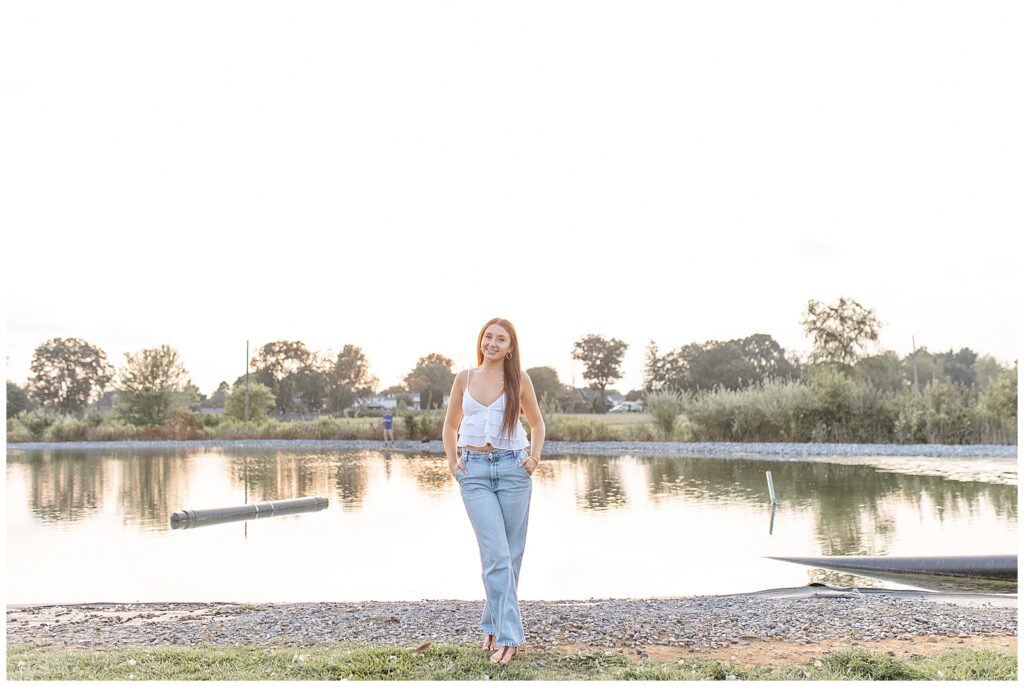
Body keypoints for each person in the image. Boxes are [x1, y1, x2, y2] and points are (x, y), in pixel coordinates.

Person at [443, 317, 545, 665]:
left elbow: (537, 422)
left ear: (510, 347)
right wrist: (452, 462)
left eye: (501, 339)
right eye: (488, 336)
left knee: (510, 555)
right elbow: (450, 426)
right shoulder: (464, 379)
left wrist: (534, 457)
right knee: (496, 555)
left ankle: (492, 622)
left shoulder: (520, 380)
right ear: (481, 341)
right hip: (474, 471)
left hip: (513, 469)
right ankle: (509, 636)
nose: (493, 343)